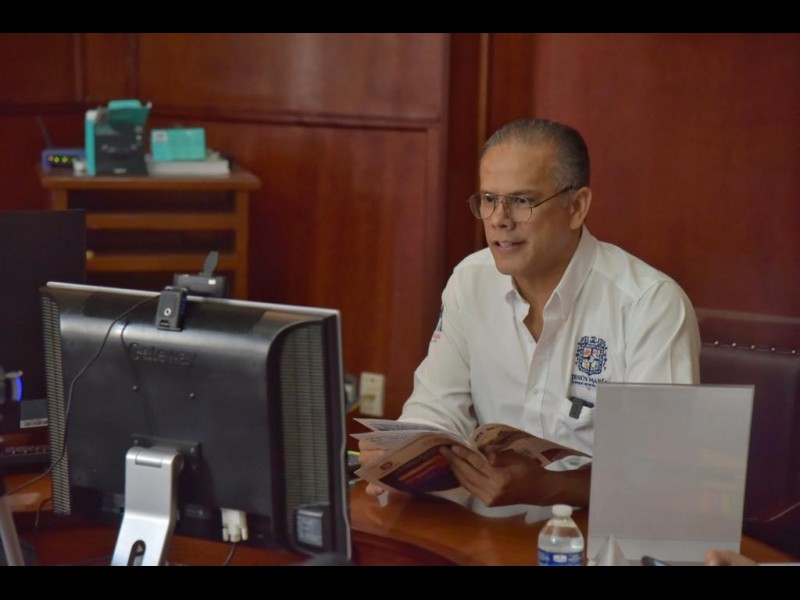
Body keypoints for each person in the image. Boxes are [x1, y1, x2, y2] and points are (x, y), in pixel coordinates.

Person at [359, 117, 701, 509]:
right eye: (489, 199)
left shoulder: (649, 303)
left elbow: (664, 475)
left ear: (576, 207)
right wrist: (404, 456)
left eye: (521, 201)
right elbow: (437, 406)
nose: (499, 219)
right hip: (483, 527)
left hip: (599, 532)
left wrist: (553, 488)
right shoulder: (470, 280)